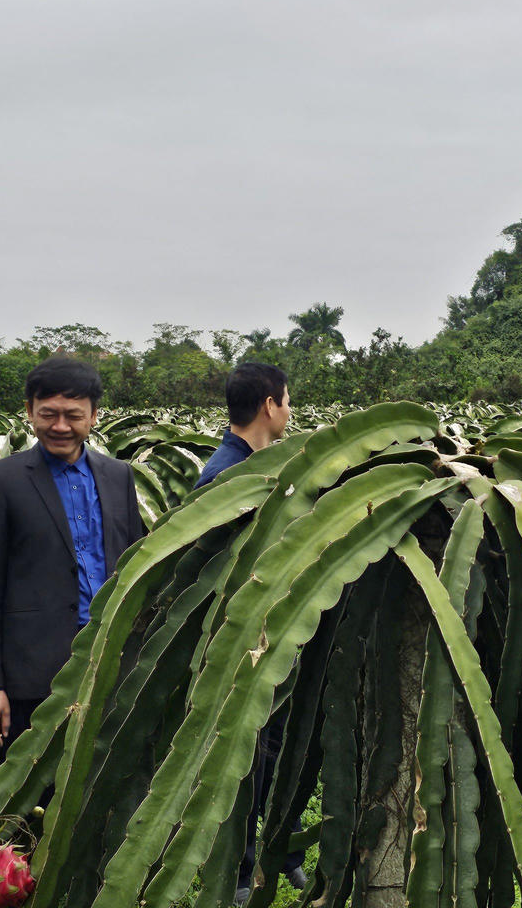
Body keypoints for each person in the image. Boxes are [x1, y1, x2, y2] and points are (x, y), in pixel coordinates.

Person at [0, 357, 145, 761]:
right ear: (30, 412)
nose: (60, 426)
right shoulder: (1, 481)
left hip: (110, 662)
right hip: (33, 675)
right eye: (48, 414)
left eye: (73, 415)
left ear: (95, 416)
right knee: (27, 800)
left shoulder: (119, 476)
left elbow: (136, 566)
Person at [193, 362, 303, 902]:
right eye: (287, 399)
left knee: (279, 751)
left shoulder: (266, 467)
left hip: (277, 639)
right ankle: (238, 868)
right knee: (247, 760)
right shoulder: (222, 479)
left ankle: (281, 850)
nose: (290, 408)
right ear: (269, 405)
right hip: (243, 647)